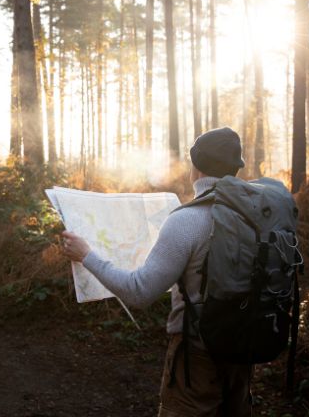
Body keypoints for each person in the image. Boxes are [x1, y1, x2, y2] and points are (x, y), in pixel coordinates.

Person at [59, 127, 253, 416]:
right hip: (244, 353)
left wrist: (87, 255)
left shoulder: (187, 221)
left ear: (195, 168)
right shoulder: (253, 215)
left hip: (196, 359)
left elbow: (140, 292)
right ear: (234, 170)